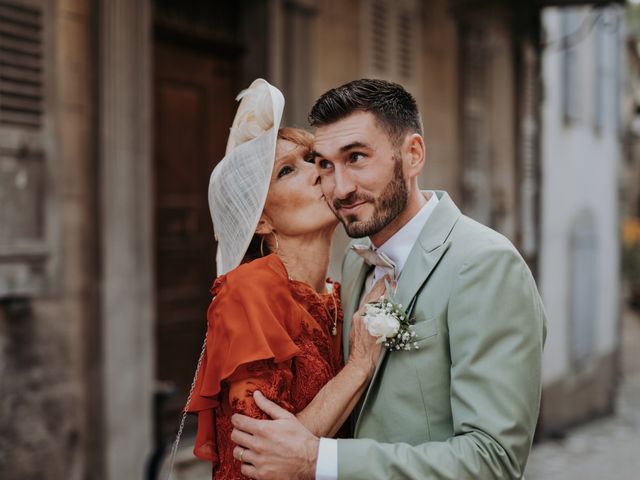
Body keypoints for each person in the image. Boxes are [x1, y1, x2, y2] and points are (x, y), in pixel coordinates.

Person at [230, 79, 547, 479]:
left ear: (412, 155)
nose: (339, 187)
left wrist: (317, 460)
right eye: (325, 164)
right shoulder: (354, 263)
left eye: (357, 157)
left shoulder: (485, 265)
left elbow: (492, 460)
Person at [184, 79, 386, 479]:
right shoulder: (248, 291)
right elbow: (263, 461)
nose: (318, 173)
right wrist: (361, 365)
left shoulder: (341, 292)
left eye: (314, 159)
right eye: (288, 170)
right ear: (260, 219)